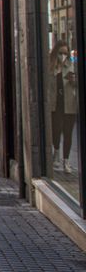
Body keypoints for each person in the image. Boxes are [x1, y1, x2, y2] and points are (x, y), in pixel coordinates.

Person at [49, 40, 78, 173]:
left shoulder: (71, 65)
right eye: (61, 53)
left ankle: (66, 161)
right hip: (56, 105)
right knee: (56, 130)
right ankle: (56, 153)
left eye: (65, 53)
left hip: (69, 104)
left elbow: (77, 83)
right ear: (56, 53)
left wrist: (74, 81)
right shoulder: (51, 66)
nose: (63, 56)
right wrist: (56, 67)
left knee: (68, 133)